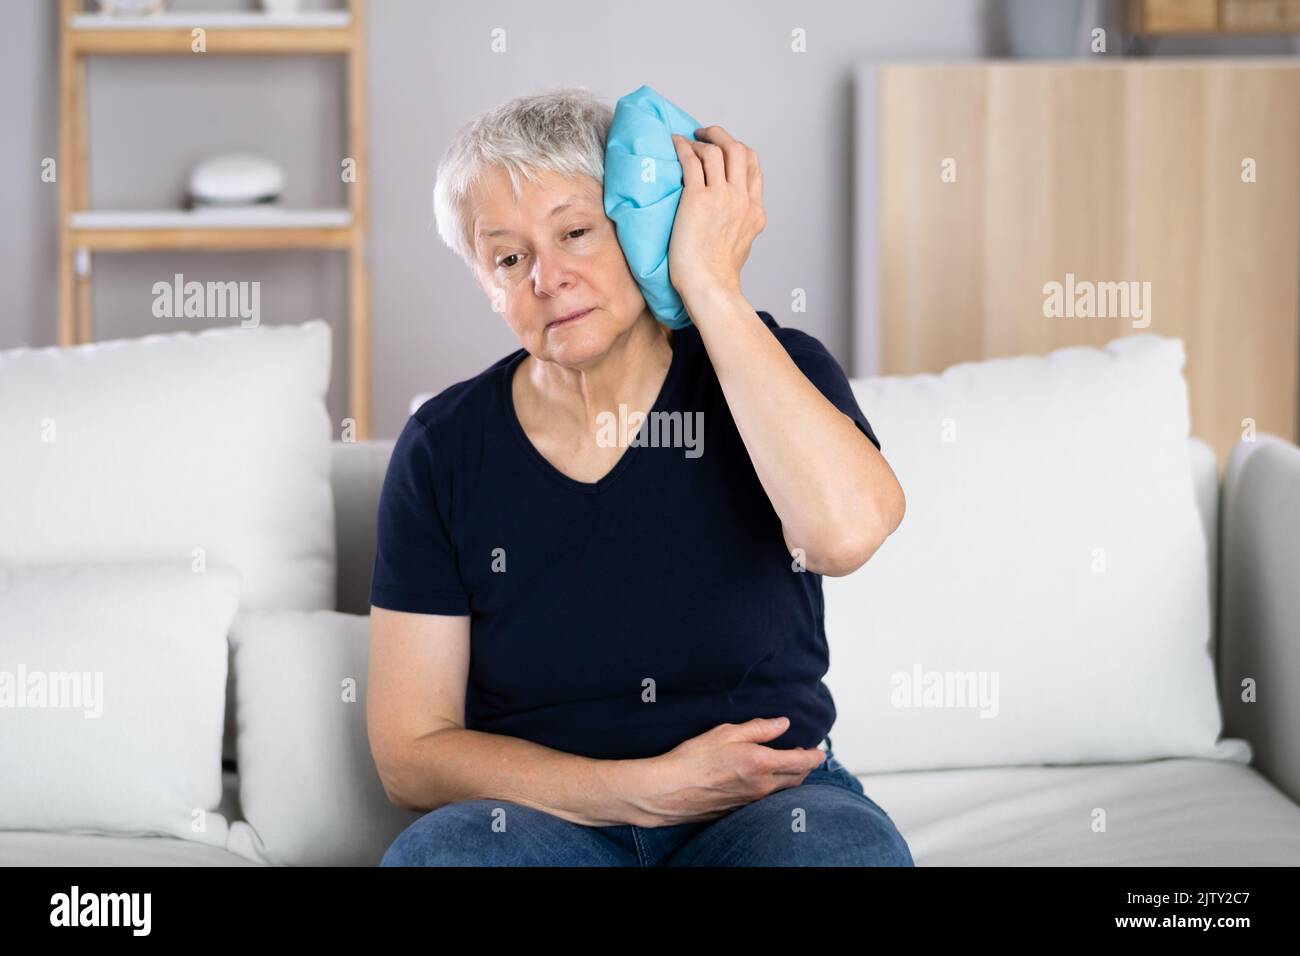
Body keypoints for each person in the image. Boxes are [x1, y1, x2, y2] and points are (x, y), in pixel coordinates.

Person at [368, 87, 911, 866]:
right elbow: (409, 755)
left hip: (771, 810)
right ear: (486, 284)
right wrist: (644, 787)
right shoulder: (443, 447)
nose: (546, 278)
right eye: (509, 258)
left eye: (578, 232)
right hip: (541, 822)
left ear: (639, 226)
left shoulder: (768, 369)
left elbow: (846, 533)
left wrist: (709, 284)